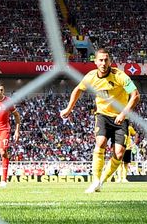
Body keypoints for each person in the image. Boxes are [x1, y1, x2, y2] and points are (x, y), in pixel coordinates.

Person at [59, 48, 140, 193]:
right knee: (101, 142)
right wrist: (68, 108)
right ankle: (95, 180)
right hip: (102, 115)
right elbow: (77, 90)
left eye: (106, 60)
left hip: (121, 117)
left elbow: (135, 95)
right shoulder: (90, 77)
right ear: (95, 62)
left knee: (119, 153)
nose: (103, 62)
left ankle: (102, 180)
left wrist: (123, 113)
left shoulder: (120, 76)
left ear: (110, 61)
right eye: (100, 60)